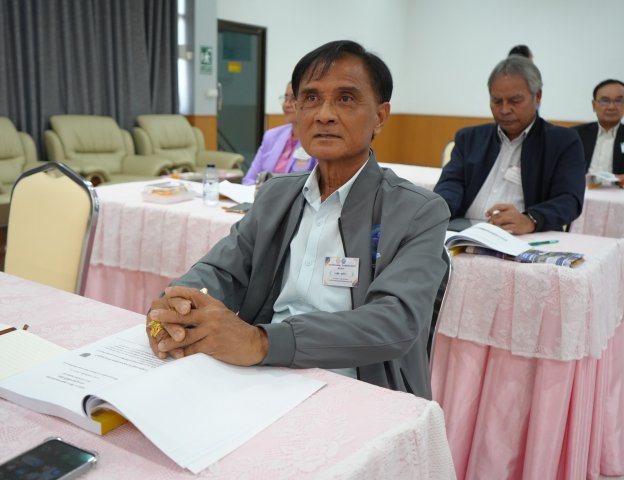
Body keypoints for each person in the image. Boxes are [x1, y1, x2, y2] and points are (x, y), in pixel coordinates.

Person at [145, 40, 450, 399]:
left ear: (380, 117)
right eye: (311, 98)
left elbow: (394, 323)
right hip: (263, 375)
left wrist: (261, 341)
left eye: (346, 98)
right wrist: (178, 304)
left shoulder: (418, 211)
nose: (324, 115)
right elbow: (222, 270)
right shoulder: (277, 194)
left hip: (356, 383)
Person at [433, 55, 585, 234]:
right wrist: (439, 211)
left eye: (515, 101)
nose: (504, 110)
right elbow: (451, 183)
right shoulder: (469, 138)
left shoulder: (563, 141)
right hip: (464, 235)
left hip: (527, 238)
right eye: (497, 101)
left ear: (537, 96)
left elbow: (569, 200)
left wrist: (531, 219)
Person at [241, 82, 317, 185]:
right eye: (286, 98)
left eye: (293, 99)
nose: (287, 104)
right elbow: (249, 180)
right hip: (262, 193)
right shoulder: (271, 136)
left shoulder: (317, 140)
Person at [573, 79, 624, 185]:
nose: (611, 107)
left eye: (618, 101)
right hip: (580, 191)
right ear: (594, 105)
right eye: (605, 101)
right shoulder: (574, 135)